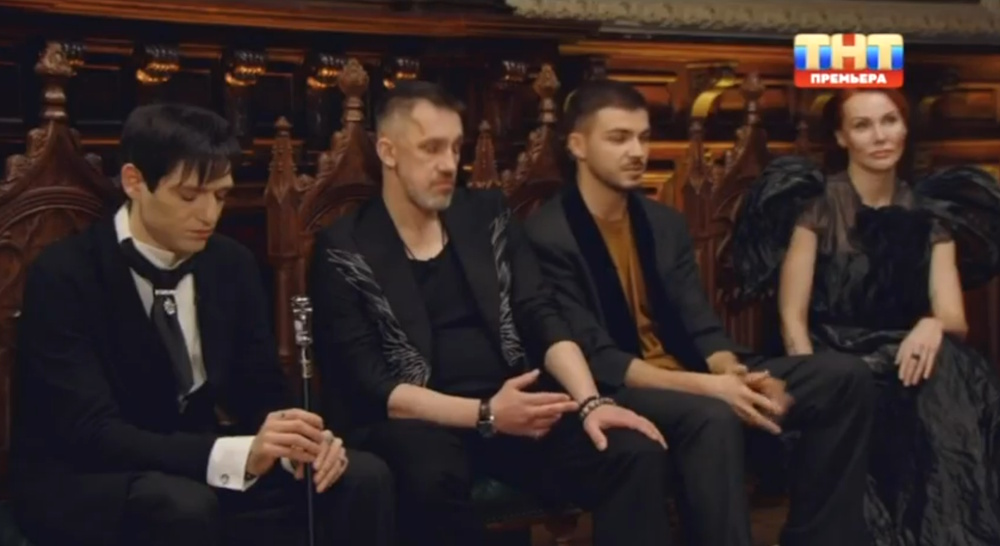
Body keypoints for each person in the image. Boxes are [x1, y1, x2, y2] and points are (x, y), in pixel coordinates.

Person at [10, 103, 394, 546]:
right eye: (189, 196)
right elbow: (91, 431)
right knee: (181, 506)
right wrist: (234, 454)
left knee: (362, 476)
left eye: (220, 196)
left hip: (199, 460)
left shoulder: (231, 263)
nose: (209, 215)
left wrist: (300, 442)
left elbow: (261, 389)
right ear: (134, 182)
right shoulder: (65, 273)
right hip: (91, 475)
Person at [308, 80, 671, 546]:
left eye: (455, 147)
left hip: (515, 406)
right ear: (388, 151)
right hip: (418, 422)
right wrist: (486, 414)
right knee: (429, 472)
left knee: (631, 452)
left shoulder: (487, 214)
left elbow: (540, 313)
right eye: (431, 148)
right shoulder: (344, 246)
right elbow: (372, 385)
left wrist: (591, 403)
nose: (448, 163)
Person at [524, 79, 877, 546]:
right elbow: (599, 359)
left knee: (844, 377)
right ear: (578, 146)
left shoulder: (662, 223)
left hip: (693, 375)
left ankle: (818, 537)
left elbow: (700, 323)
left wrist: (734, 373)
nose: (637, 151)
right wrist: (715, 388)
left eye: (643, 138)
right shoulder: (549, 234)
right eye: (619, 138)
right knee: (712, 414)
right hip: (615, 389)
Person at [731, 88, 1000, 546]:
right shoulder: (817, 206)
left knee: (952, 370)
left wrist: (932, 323)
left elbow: (953, 315)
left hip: (903, 348)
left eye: (889, 121)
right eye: (862, 125)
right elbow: (792, 318)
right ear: (842, 137)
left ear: (905, 127)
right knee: (863, 383)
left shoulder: (931, 214)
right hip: (832, 353)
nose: (880, 136)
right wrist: (816, 378)